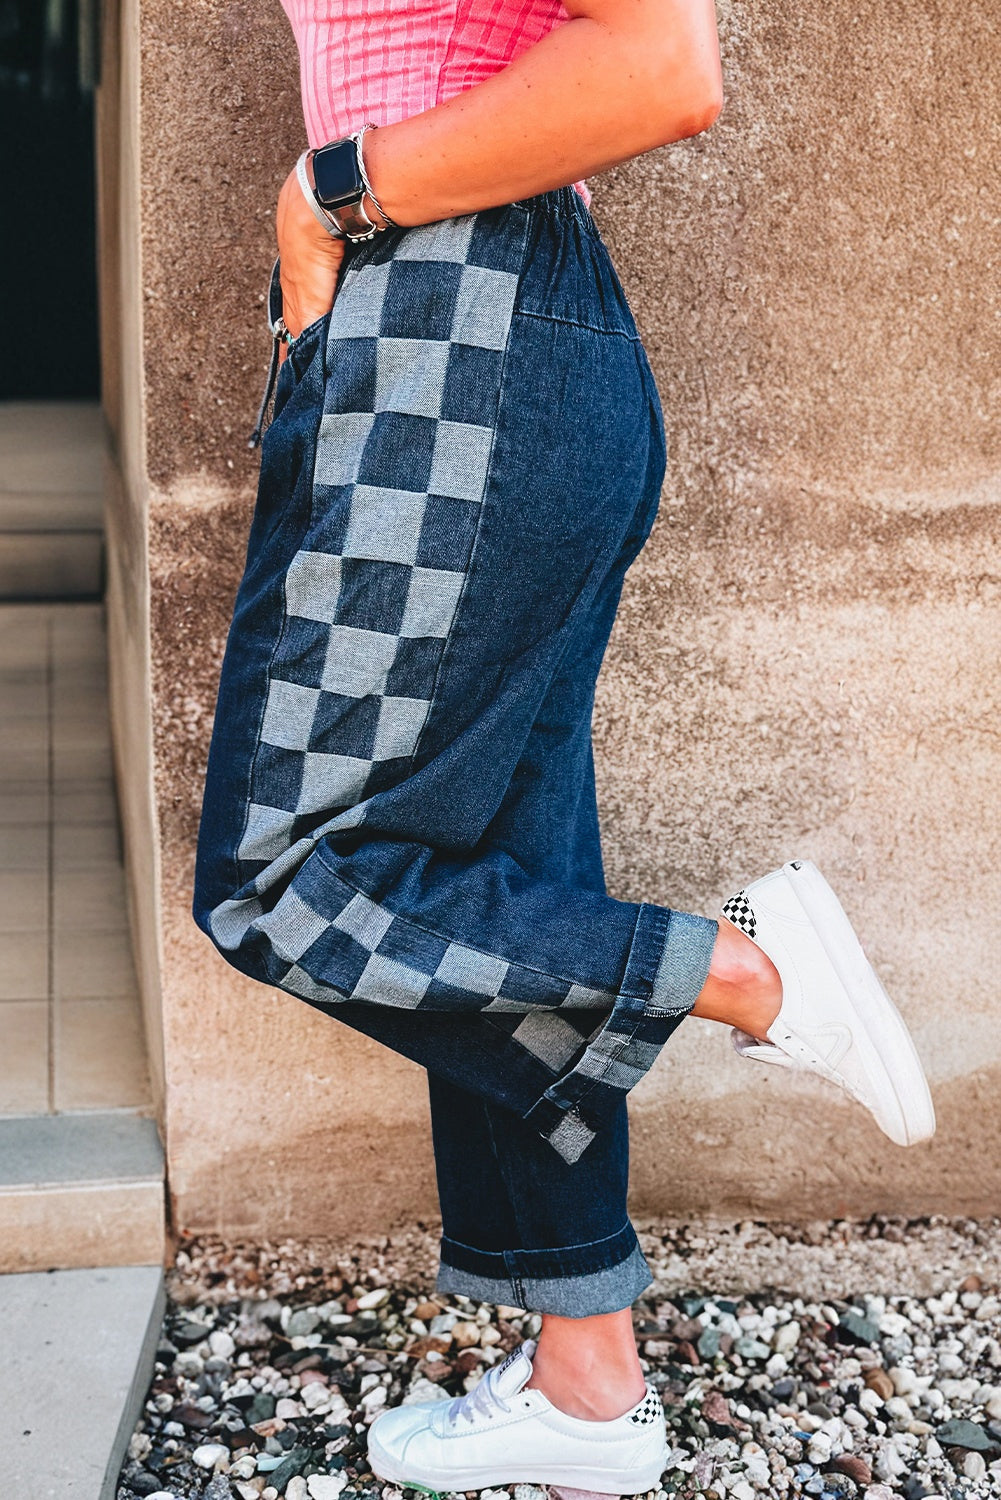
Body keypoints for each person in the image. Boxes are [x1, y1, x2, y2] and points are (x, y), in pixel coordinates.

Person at [192, 0, 936, 1489]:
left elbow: (660, 65)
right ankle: (589, 1381)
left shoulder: (380, 215)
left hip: (454, 331)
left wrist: (327, 194)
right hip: (484, 333)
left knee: (283, 884)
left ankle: (745, 972)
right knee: (489, 886)